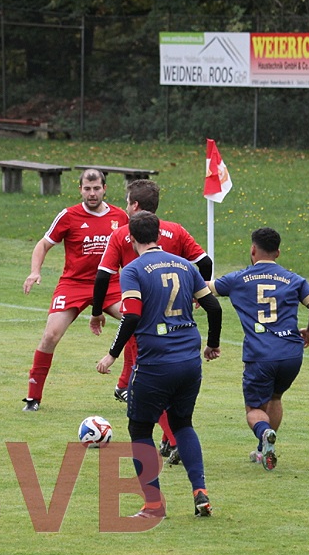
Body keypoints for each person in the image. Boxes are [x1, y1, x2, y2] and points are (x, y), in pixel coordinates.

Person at [96, 212, 223, 519]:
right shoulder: (185, 266)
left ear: (131, 238)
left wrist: (112, 354)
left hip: (156, 360)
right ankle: (200, 491)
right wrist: (212, 344)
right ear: (158, 234)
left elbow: (132, 316)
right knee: (183, 423)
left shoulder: (132, 270)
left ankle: (153, 505)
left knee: (140, 427)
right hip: (189, 360)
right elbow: (213, 307)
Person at [89, 178, 212, 465]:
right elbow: (204, 262)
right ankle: (173, 438)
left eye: (127, 201)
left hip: (143, 323)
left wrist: (96, 312)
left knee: (145, 386)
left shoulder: (123, 234)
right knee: (169, 385)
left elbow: (104, 275)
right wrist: (199, 293)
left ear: (134, 205)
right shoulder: (176, 230)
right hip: (179, 325)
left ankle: (172, 438)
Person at [211, 227, 309, 471]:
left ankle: (265, 433)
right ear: (278, 253)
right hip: (292, 353)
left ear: (253, 249)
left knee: (254, 410)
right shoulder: (293, 279)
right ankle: (264, 450)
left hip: (261, 354)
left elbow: (207, 289)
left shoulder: (239, 279)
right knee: (275, 397)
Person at [22, 169, 129, 411]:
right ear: (80, 189)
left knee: (135, 322)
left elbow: (131, 251)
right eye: (87, 189)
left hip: (111, 285)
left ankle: (124, 386)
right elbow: (43, 244)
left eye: (96, 188)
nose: (92, 193)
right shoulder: (68, 215)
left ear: (104, 189)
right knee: (50, 335)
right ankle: (33, 397)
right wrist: (35, 271)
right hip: (74, 284)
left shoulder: (120, 217)